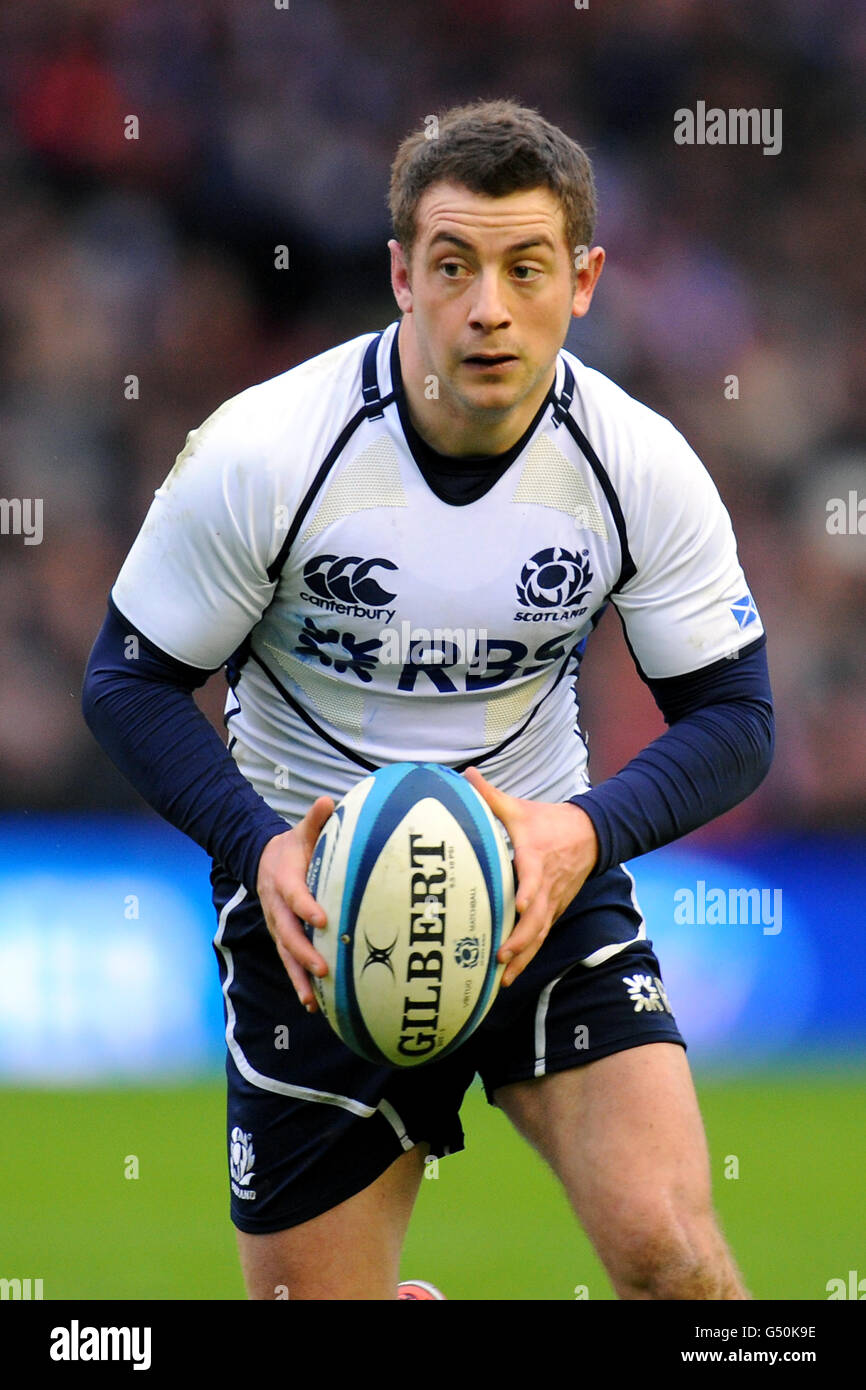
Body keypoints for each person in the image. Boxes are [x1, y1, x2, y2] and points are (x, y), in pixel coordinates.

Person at [83, 100, 774, 1300]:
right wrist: (258, 850)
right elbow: (127, 683)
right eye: (452, 266)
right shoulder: (267, 452)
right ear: (401, 274)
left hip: (541, 878)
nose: (488, 307)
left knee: (674, 1262)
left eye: (526, 267)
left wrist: (585, 829)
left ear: (586, 279)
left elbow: (736, 715)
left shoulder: (637, 463)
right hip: (312, 907)